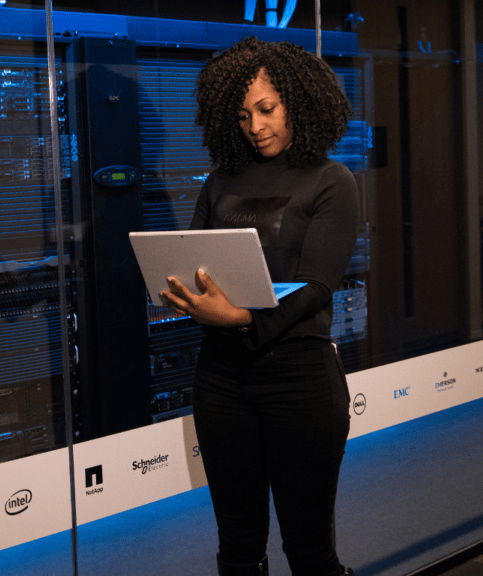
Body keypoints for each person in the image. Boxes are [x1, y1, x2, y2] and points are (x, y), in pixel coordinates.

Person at [159, 37, 358, 576]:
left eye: (266, 109)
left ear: (297, 100)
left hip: (300, 381)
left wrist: (242, 317)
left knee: (310, 553)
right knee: (238, 550)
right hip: (222, 381)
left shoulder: (331, 180)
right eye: (243, 115)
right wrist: (181, 290)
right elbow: (196, 261)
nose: (255, 126)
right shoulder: (220, 180)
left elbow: (317, 285)